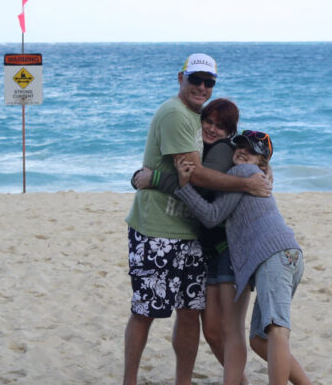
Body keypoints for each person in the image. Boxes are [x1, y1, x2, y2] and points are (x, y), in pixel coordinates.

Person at [123, 54, 271, 385]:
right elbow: (196, 177)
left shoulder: (200, 124)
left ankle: (183, 381)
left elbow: (204, 175)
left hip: (190, 235)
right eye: (196, 80)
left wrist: (258, 171)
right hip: (157, 229)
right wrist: (246, 182)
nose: (201, 87)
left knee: (189, 313)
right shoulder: (176, 115)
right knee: (145, 312)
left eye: (209, 82)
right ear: (181, 78)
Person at [174, 130, 311, 385]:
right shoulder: (253, 173)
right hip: (288, 256)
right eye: (240, 146)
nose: (242, 151)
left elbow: (212, 215)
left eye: (251, 150)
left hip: (274, 256)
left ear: (262, 161)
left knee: (276, 329)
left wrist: (184, 187)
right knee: (259, 340)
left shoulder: (243, 173)